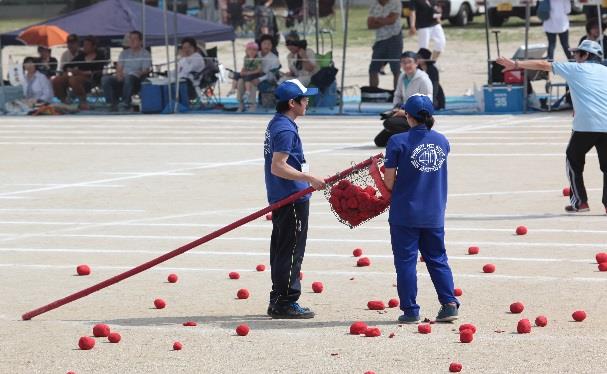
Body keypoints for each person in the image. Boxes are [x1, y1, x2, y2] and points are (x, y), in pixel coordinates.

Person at [497, 40, 607, 214]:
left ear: (585, 55)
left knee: (573, 159)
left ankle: (580, 202)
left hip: (586, 124)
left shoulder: (575, 68)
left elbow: (542, 64)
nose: (574, 57)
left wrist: (515, 63)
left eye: (577, 54)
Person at [382, 94, 459, 324]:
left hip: (405, 211)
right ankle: (449, 303)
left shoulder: (397, 141)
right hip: (434, 212)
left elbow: (388, 181)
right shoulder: (442, 141)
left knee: (406, 262)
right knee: (437, 258)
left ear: (408, 116)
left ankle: (410, 310)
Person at [263, 78, 325, 319]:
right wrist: (310, 178)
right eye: (304, 98)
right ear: (292, 103)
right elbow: (278, 167)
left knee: (281, 249)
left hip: (284, 195)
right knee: (290, 251)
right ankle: (286, 301)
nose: (307, 102)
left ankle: (278, 296)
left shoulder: (278, 123)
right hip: (292, 197)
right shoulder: (285, 129)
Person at [374, 51, 433, 147]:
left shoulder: (423, 79)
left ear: (416, 63)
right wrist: (396, 109)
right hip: (405, 114)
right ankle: (406, 137)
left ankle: (420, 136)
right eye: (403, 62)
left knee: (389, 123)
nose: (406, 65)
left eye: (409, 62)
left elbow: (426, 105)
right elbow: (397, 95)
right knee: (379, 141)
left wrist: (406, 112)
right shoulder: (402, 76)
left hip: (419, 118)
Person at [101, 30, 152, 111]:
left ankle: (125, 102)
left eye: (134, 39)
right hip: (123, 76)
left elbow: (146, 69)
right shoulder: (124, 53)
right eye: (130, 39)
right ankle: (111, 103)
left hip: (136, 78)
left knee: (129, 78)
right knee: (105, 79)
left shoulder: (145, 53)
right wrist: (119, 75)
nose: (132, 41)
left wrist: (136, 73)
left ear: (140, 41)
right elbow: (119, 67)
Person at [53, 36, 106, 110]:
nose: (84, 47)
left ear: (93, 46)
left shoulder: (100, 56)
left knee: (74, 80)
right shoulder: (81, 56)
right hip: (76, 75)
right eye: (83, 45)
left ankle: (83, 101)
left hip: (91, 79)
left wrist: (83, 72)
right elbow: (67, 66)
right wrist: (70, 70)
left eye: (87, 45)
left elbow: (99, 70)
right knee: (57, 80)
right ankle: (64, 101)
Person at [367, 0, 402, 89]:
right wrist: (385, 20)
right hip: (379, 39)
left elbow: (392, 20)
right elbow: (370, 24)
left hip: (394, 37)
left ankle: (397, 93)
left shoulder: (396, 2)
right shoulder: (373, 4)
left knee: (395, 68)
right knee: (373, 68)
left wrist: (377, 20)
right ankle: (373, 91)